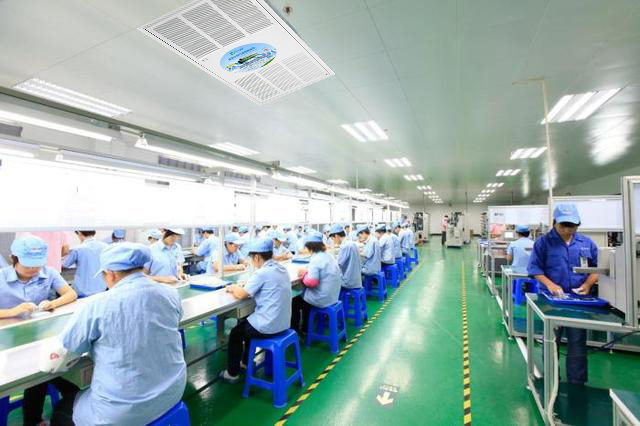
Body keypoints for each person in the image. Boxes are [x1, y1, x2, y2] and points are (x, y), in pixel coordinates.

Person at [39, 243, 186, 425]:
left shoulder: (97, 304)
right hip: (172, 393)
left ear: (111, 274)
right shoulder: (171, 294)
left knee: (62, 409)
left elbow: (59, 356)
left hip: (121, 413)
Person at [0, 236, 77, 426]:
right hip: (7, 341)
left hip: (40, 336)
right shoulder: (1, 277)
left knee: (42, 374)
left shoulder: (48, 273)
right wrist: (12, 312)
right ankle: (33, 418)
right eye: (28, 266)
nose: (34, 270)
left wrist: (53, 303)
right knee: (38, 376)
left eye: (37, 265)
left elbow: (70, 294)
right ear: (13, 258)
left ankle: (34, 419)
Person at [528, 203, 599, 385]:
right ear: (554, 222)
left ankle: (577, 381)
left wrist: (588, 284)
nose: (568, 230)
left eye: (572, 226)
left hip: (578, 301)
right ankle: (551, 380)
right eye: (563, 225)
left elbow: (596, 269)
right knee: (551, 341)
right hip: (551, 301)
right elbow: (534, 269)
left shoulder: (586, 243)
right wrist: (550, 284)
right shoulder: (543, 243)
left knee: (577, 341)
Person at [219, 238, 292, 383]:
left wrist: (233, 288)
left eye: (252, 257)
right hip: (283, 322)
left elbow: (241, 294)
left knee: (235, 333)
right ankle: (245, 362)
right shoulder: (281, 269)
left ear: (257, 257)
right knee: (246, 323)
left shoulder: (262, 273)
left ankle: (232, 373)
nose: (252, 261)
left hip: (268, 325)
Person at [291, 231, 342, 335]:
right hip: (333, 296)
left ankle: (299, 330)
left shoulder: (316, 259)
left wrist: (304, 274)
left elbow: (312, 282)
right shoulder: (328, 256)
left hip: (322, 299)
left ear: (310, 247)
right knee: (304, 299)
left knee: (295, 301)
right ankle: (306, 327)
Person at [61, 231, 109, 297]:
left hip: (83, 292)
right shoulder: (106, 246)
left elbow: (64, 264)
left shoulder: (77, 249)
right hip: (102, 290)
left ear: (79, 233)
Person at [329, 224, 362, 290]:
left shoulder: (345, 246)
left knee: (329, 281)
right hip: (356, 279)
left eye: (332, 239)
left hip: (348, 282)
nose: (333, 241)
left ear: (336, 236)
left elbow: (338, 264)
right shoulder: (351, 243)